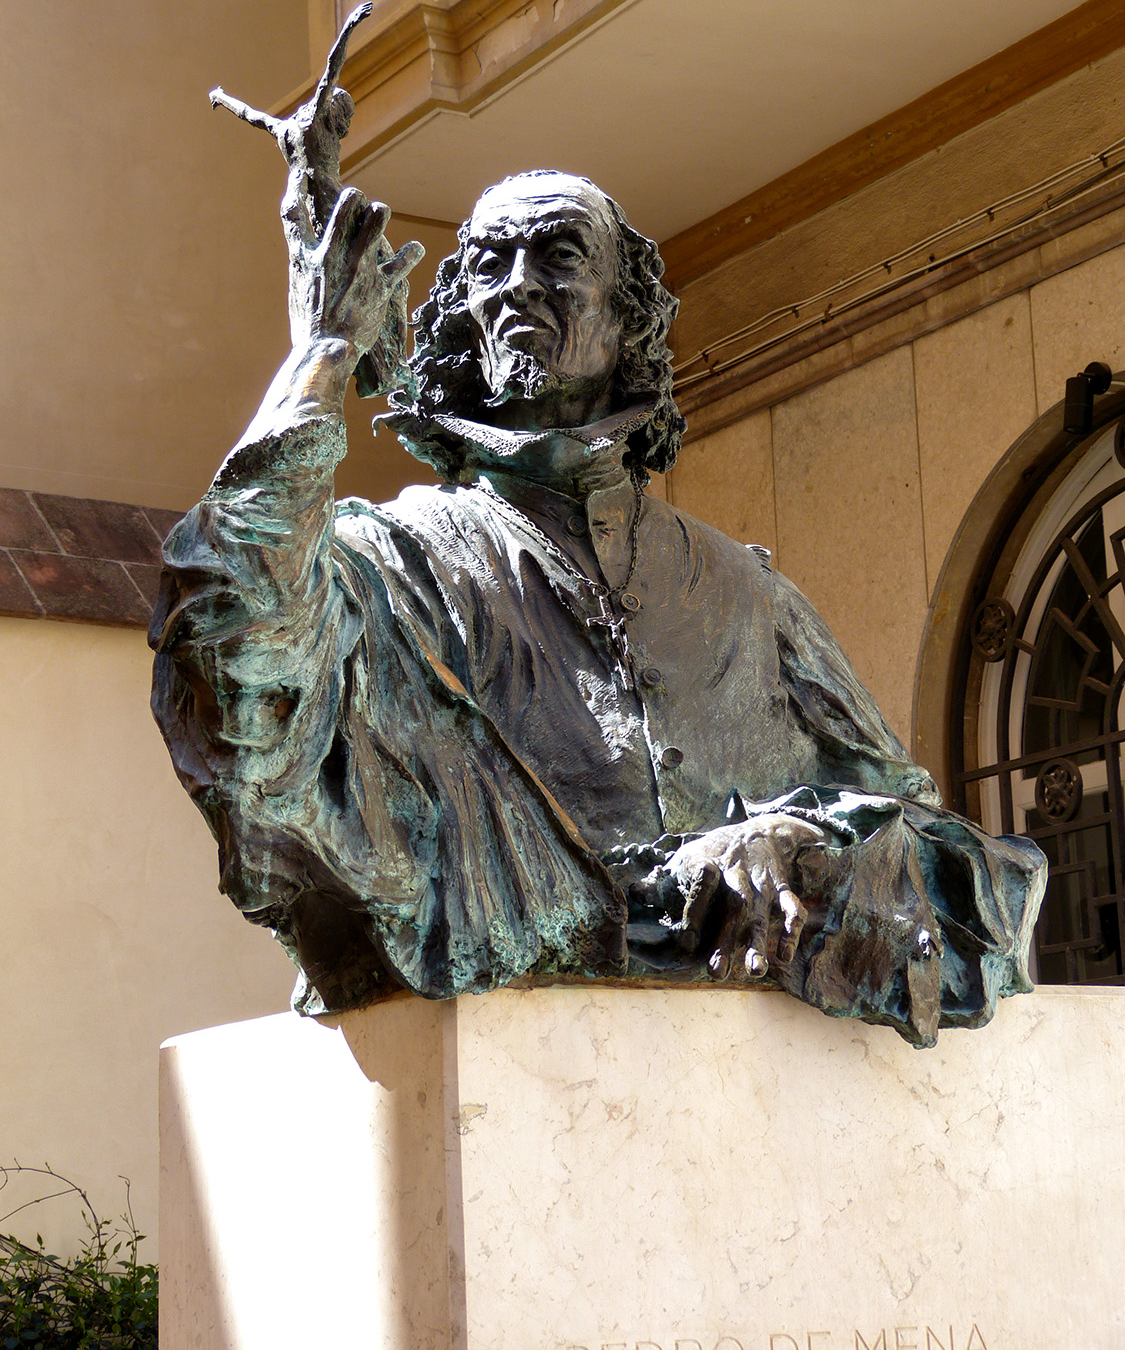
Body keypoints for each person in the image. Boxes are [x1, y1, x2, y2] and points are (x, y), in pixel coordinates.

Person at [150, 59, 1044, 1048]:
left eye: (557, 256)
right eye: (488, 263)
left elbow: (923, 838)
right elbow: (232, 647)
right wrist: (321, 356)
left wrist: (821, 854)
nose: (517, 287)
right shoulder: (389, 561)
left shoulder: (747, 593)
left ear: (626, 320)